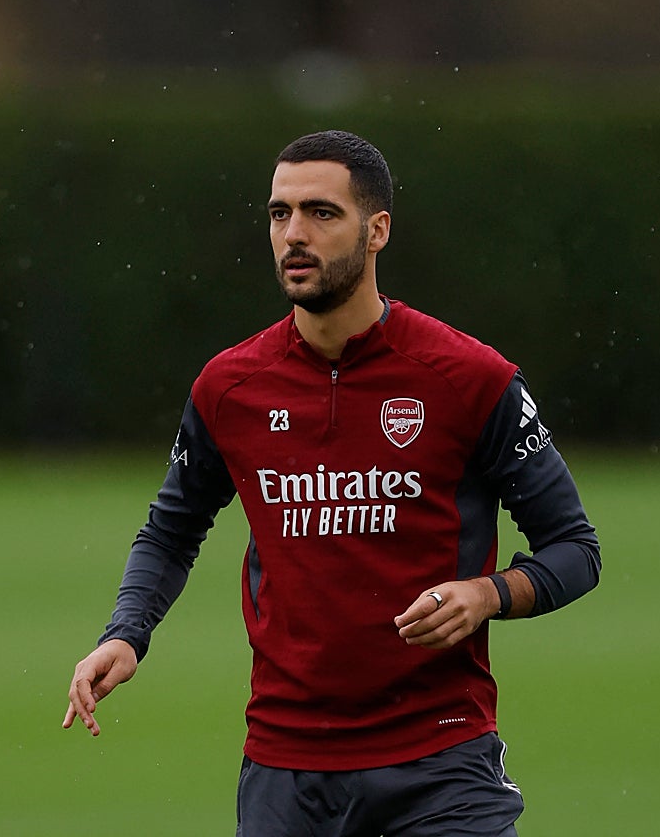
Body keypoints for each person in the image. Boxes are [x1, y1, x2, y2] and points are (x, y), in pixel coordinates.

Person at [63, 130, 601, 837]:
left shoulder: (471, 378)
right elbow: (171, 530)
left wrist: (486, 593)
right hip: (287, 774)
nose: (293, 234)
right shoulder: (230, 386)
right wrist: (125, 635)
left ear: (377, 230)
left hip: (441, 762)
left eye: (321, 213)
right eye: (279, 213)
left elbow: (575, 548)